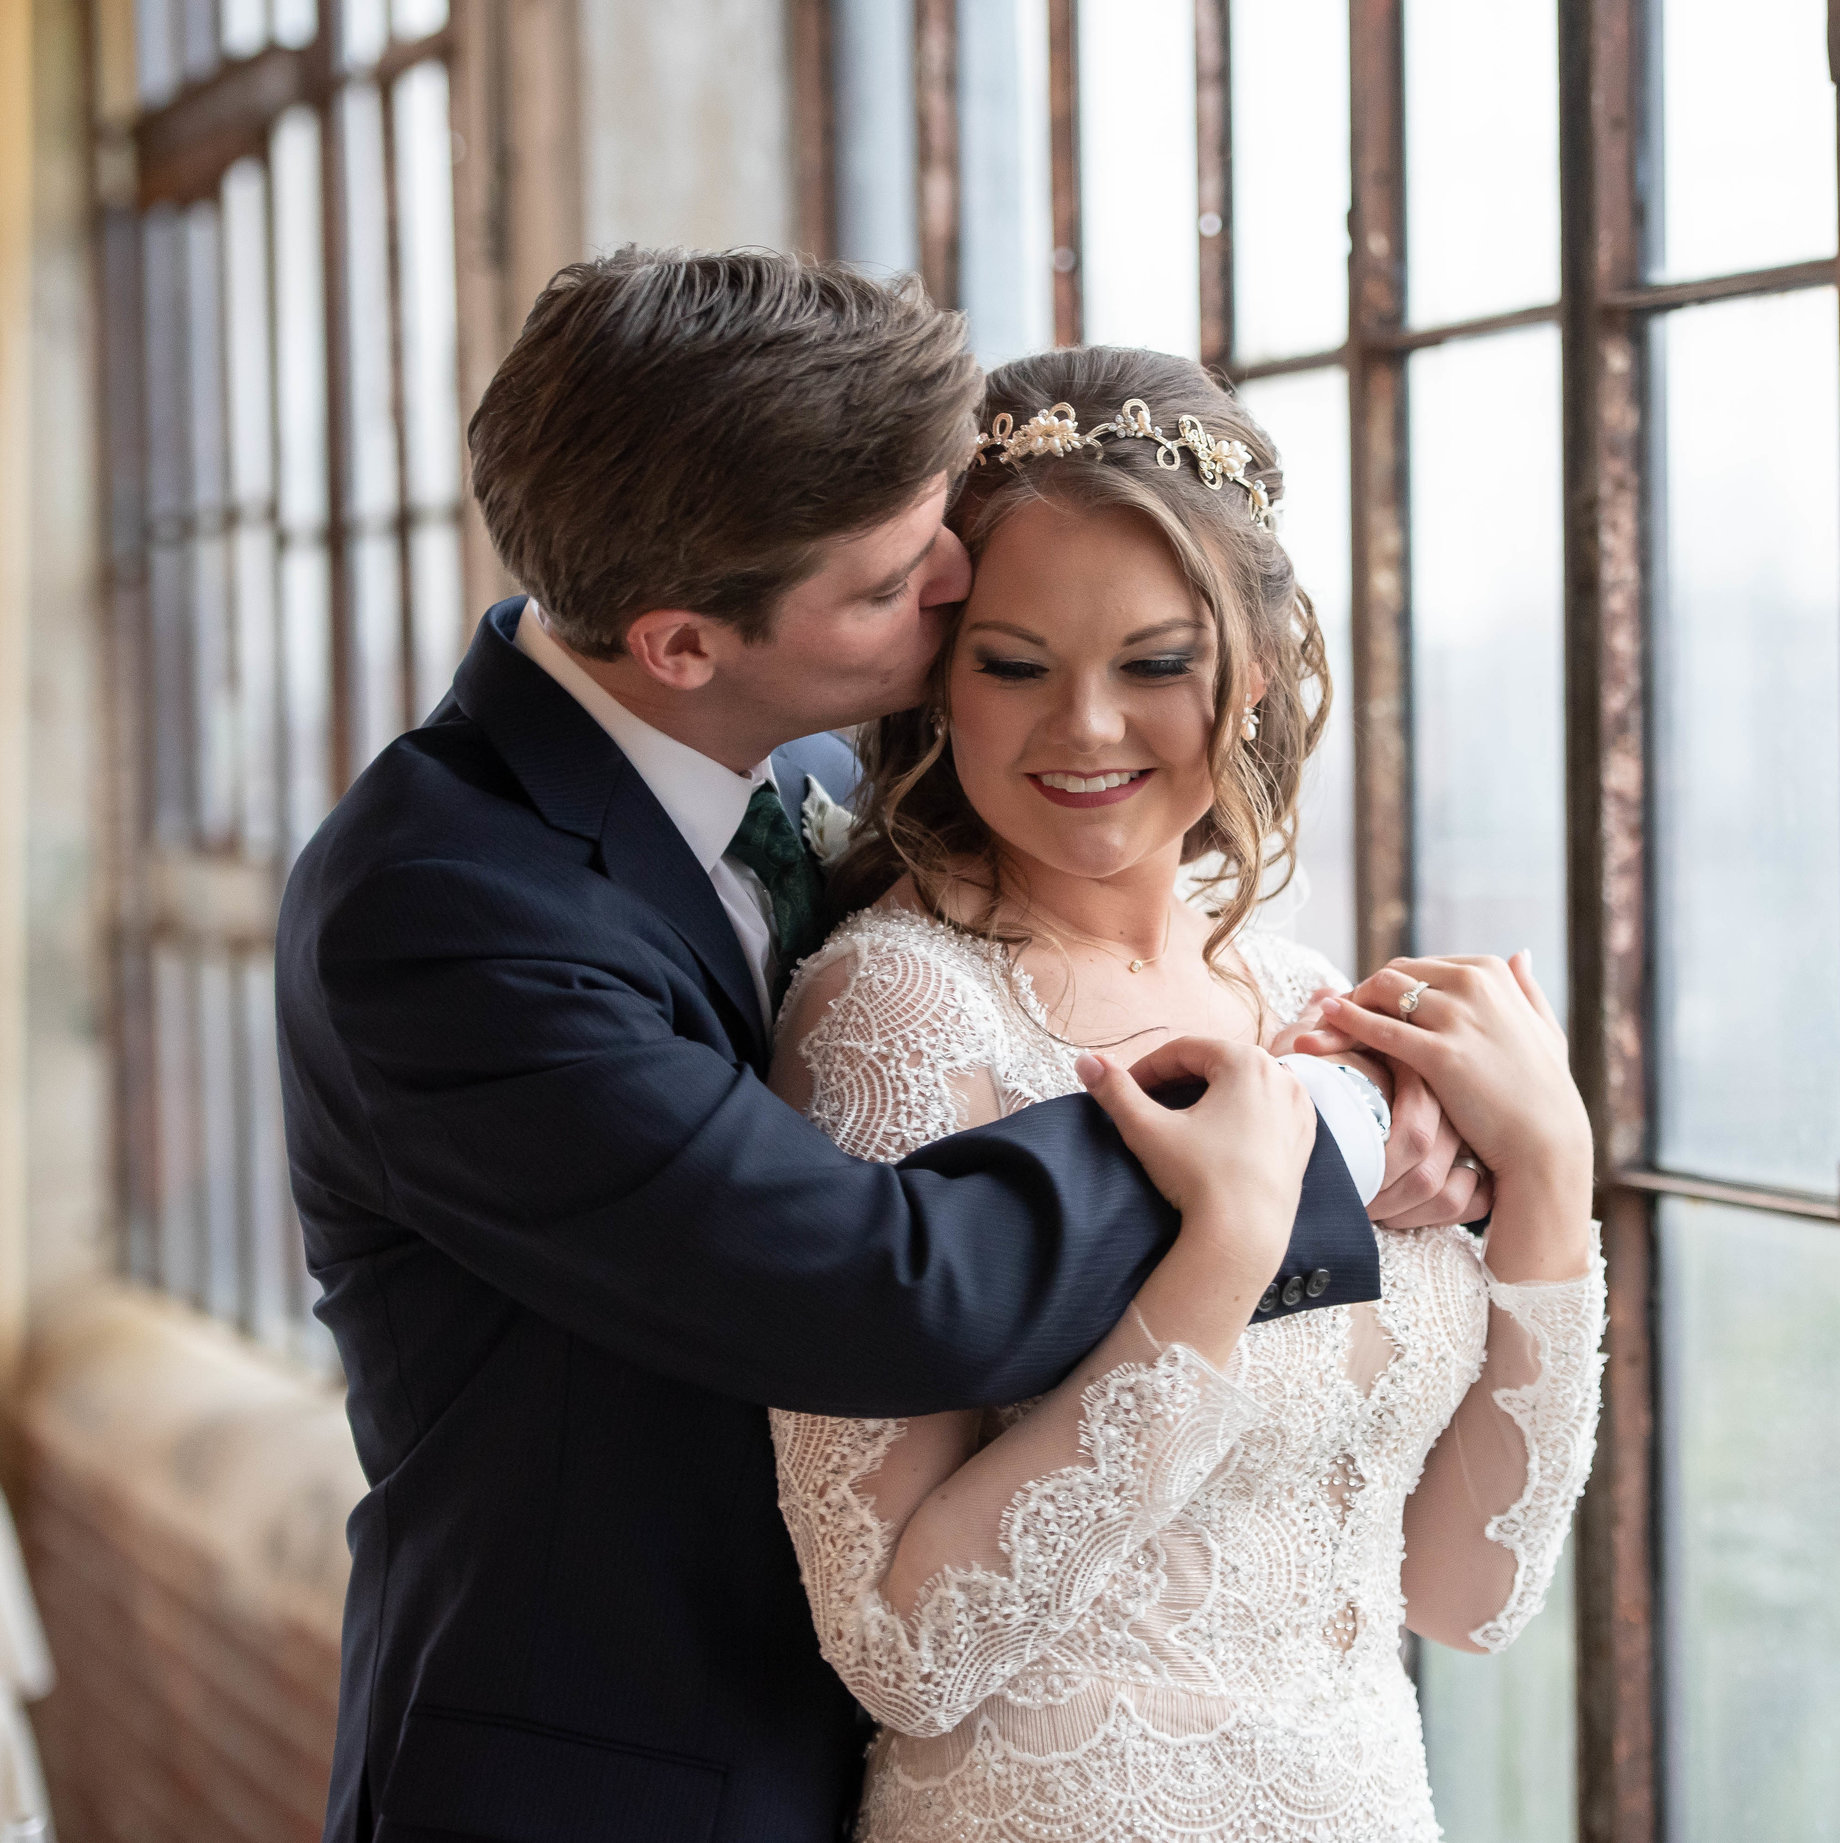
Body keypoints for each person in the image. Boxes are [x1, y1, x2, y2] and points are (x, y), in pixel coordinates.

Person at [274, 250, 1485, 1843]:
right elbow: (873, 1283)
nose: (955, 587)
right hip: (619, 1776)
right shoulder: (445, 909)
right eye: (894, 578)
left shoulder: (787, 780)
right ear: (682, 642)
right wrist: (1306, 1112)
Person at [766, 346, 1604, 1843]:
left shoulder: (1309, 1008)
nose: (1086, 730)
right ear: (939, 681)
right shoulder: (899, 1012)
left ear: (1259, 664)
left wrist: (1549, 1175)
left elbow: (1466, 1594)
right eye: (1016, 665)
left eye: (1157, 664)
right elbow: (901, 1649)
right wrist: (1221, 1255)